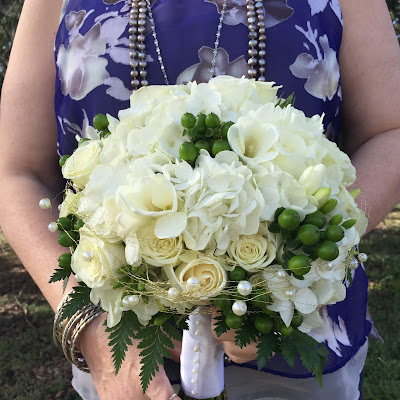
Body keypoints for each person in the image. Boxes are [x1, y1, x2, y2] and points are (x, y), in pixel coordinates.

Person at [0, 0, 399, 399]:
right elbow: (16, 172)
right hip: (123, 352)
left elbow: (390, 131)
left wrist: (304, 260)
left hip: (299, 337)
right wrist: (87, 324)